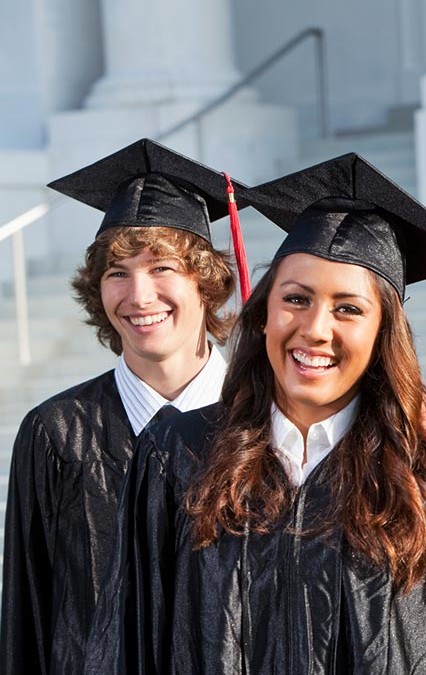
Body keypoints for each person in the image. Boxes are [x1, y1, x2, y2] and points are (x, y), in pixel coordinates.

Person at [83, 153, 426, 674]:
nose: (316, 328)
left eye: (349, 309)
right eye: (296, 299)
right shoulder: (177, 455)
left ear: (383, 334)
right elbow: (128, 644)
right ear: (266, 315)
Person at [1, 139, 240, 675]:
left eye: (161, 268)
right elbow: (29, 616)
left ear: (206, 282)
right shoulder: (57, 435)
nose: (138, 295)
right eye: (117, 273)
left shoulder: (263, 425)